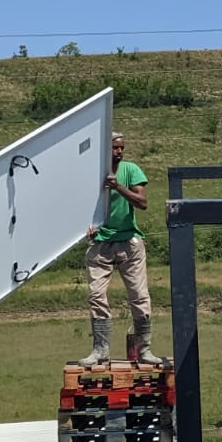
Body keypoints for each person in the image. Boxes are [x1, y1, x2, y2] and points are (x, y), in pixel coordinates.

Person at [78, 132, 161, 367]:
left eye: (122, 148)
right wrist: (85, 227)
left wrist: (118, 186)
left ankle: (144, 349)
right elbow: (79, 205)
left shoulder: (130, 170)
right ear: (105, 150)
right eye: (115, 148)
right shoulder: (91, 174)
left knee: (139, 295)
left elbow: (142, 202)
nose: (120, 152)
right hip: (101, 243)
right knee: (96, 296)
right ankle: (100, 349)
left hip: (128, 241)